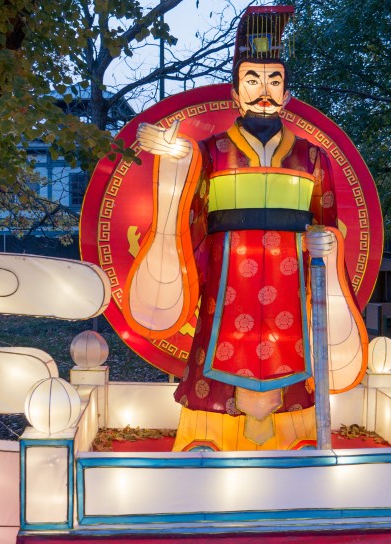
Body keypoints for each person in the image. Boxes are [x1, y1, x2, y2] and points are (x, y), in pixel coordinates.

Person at [125, 6, 367, 451]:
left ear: (287, 94)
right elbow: (189, 217)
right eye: (252, 80)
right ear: (235, 94)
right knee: (217, 346)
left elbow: (327, 222)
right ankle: (207, 436)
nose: (263, 92)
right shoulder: (211, 152)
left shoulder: (312, 157)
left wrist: (324, 244)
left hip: (291, 276)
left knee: (294, 353)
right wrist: (176, 163)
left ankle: (299, 439)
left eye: (274, 81)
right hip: (227, 276)